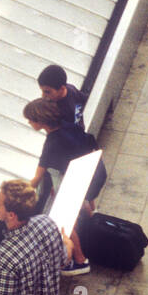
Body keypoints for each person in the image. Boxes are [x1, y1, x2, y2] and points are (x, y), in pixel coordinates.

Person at [22, 97, 106, 273]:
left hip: (79, 181)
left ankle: (80, 261)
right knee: (77, 202)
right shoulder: (69, 126)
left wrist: (19, 194)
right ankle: (92, 218)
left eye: (30, 120)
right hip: (95, 172)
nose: (29, 123)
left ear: (40, 121)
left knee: (65, 220)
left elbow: (37, 178)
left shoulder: (52, 143)